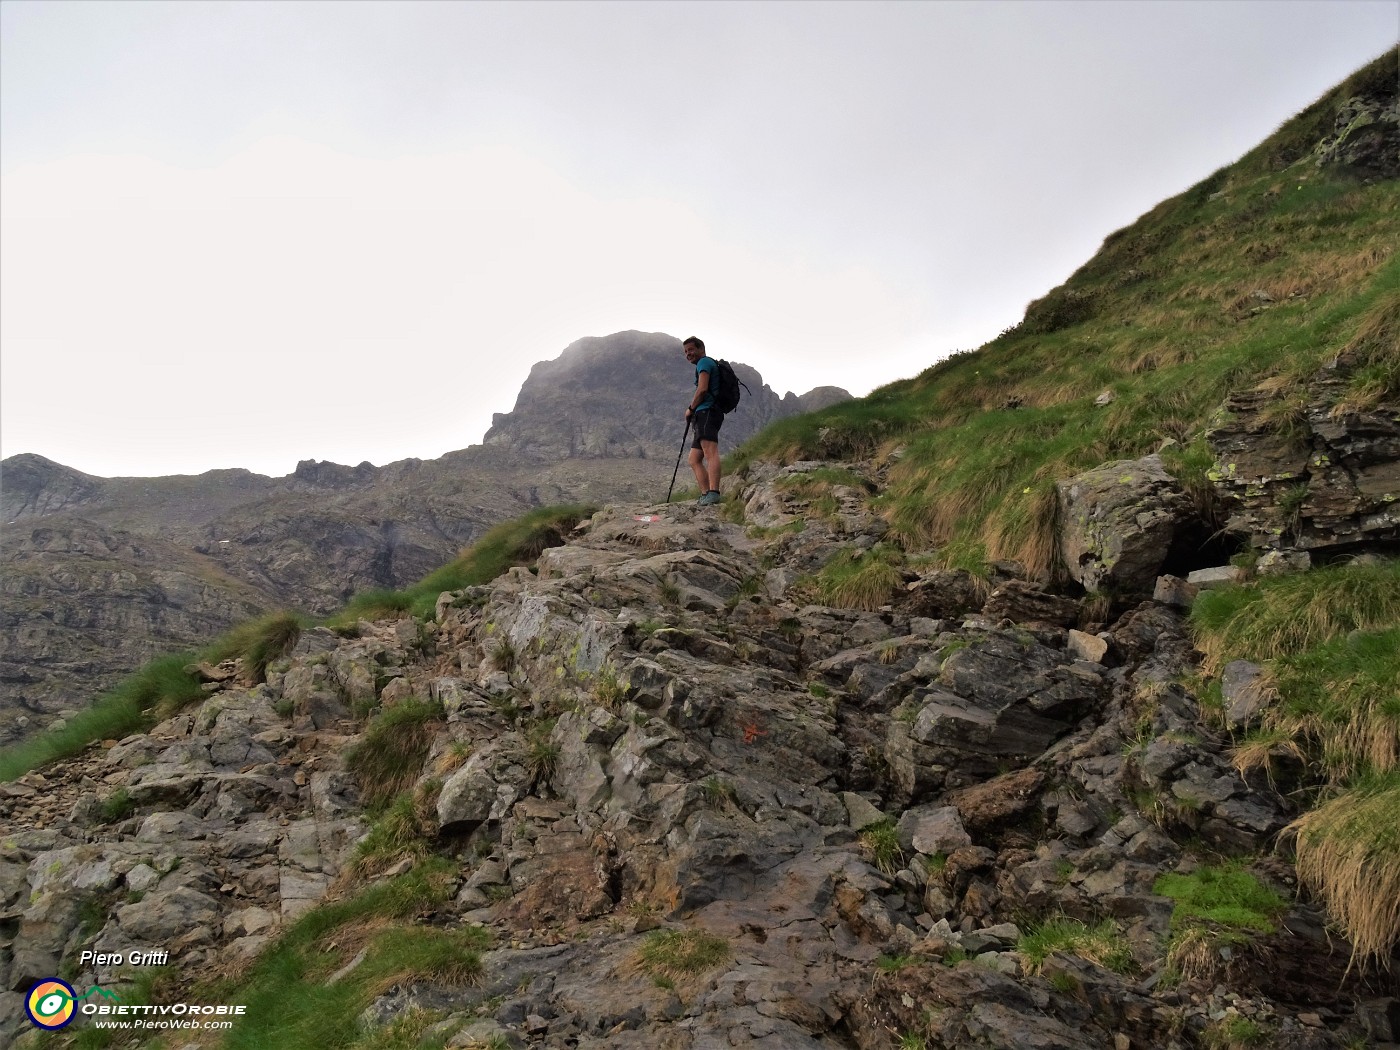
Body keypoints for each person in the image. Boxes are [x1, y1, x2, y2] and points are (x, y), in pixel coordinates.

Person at [682, 336, 723, 506]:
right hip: (704, 413)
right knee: (694, 458)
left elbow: (702, 389)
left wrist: (690, 409)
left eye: (690, 350)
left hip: (707, 412)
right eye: (685, 352)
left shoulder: (704, 363)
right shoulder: (705, 363)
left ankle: (713, 493)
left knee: (709, 452)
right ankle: (705, 494)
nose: (688, 354)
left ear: (701, 349)